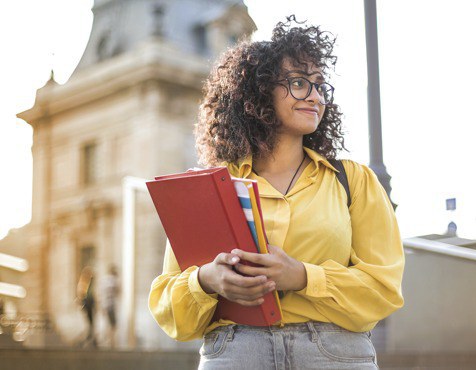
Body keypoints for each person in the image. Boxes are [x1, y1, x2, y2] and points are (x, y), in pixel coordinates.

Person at [149, 16, 404, 369]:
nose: (314, 96)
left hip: (335, 354)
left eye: (319, 85)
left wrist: (301, 276)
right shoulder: (209, 188)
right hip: (236, 351)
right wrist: (207, 280)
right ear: (259, 92)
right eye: (299, 83)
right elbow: (169, 307)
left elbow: (384, 288)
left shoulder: (353, 181)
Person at [77, 266, 97, 347]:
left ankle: (91, 338)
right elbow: (82, 295)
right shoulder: (84, 283)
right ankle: (89, 338)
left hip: (89, 304)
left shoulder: (87, 283)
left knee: (90, 322)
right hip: (87, 304)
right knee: (89, 322)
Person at [99, 264, 119, 348]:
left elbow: (100, 294)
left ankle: (106, 342)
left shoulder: (104, 280)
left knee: (106, 324)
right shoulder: (113, 280)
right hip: (111, 305)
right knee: (113, 325)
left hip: (104, 305)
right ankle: (112, 342)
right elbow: (118, 291)